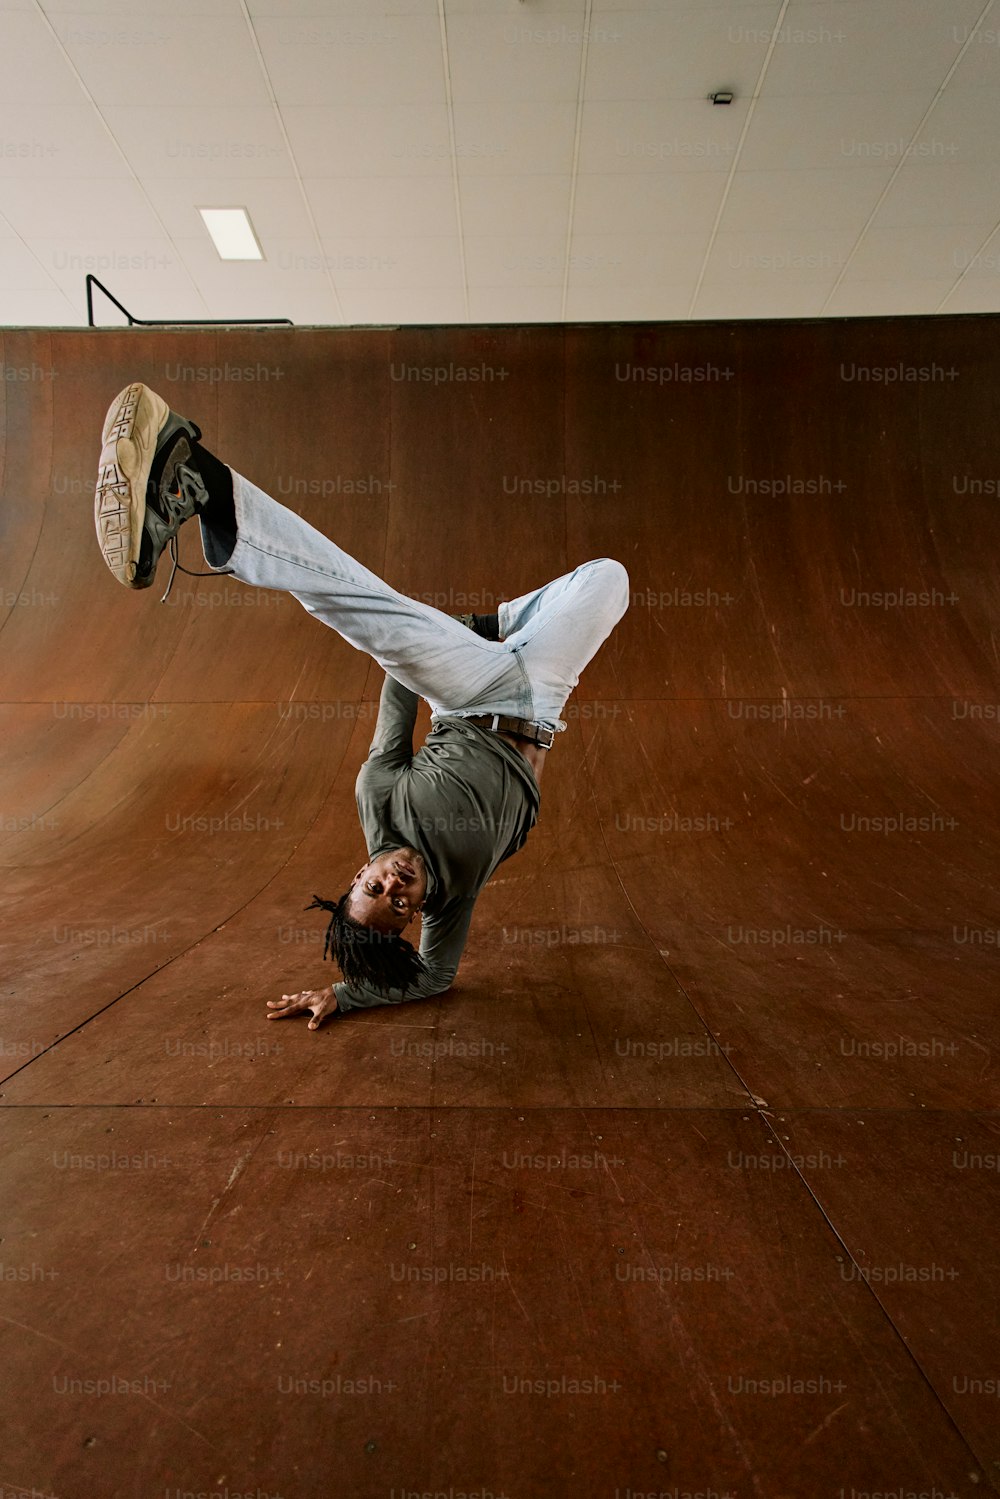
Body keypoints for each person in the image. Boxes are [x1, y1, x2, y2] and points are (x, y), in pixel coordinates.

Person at [94, 382, 629, 1030]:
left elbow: (398, 676)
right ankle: (510, 620)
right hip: (543, 692)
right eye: (399, 905)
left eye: (374, 887)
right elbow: (434, 976)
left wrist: (446, 640)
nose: (395, 886)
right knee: (610, 579)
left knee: (379, 624)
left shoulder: (379, 797)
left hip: (467, 692)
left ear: (359, 871)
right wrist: (343, 994)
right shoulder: (451, 900)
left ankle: (197, 480)